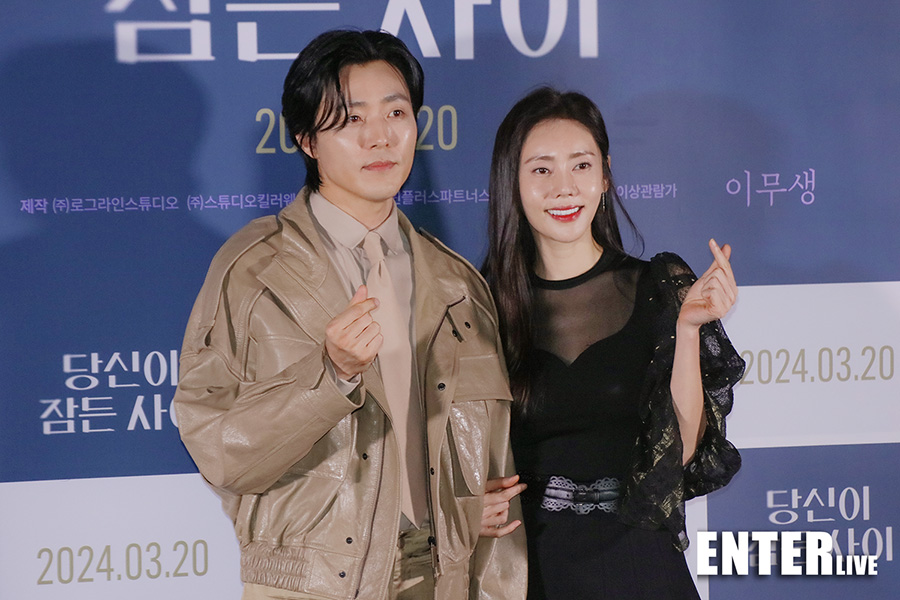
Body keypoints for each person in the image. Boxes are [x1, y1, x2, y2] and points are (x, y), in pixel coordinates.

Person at [173, 30, 526, 600]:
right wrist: (330, 375)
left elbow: (487, 461)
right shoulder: (254, 269)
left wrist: (458, 511)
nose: (379, 136)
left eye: (396, 113)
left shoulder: (456, 282)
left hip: (439, 578)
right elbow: (218, 450)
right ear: (307, 140)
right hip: (313, 583)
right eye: (351, 119)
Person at [479, 87, 744, 599]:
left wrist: (689, 329)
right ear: (511, 182)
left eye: (581, 165)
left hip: (638, 562)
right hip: (530, 567)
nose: (564, 188)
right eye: (541, 170)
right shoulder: (481, 306)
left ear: (605, 175)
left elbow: (681, 452)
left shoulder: (658, 287)